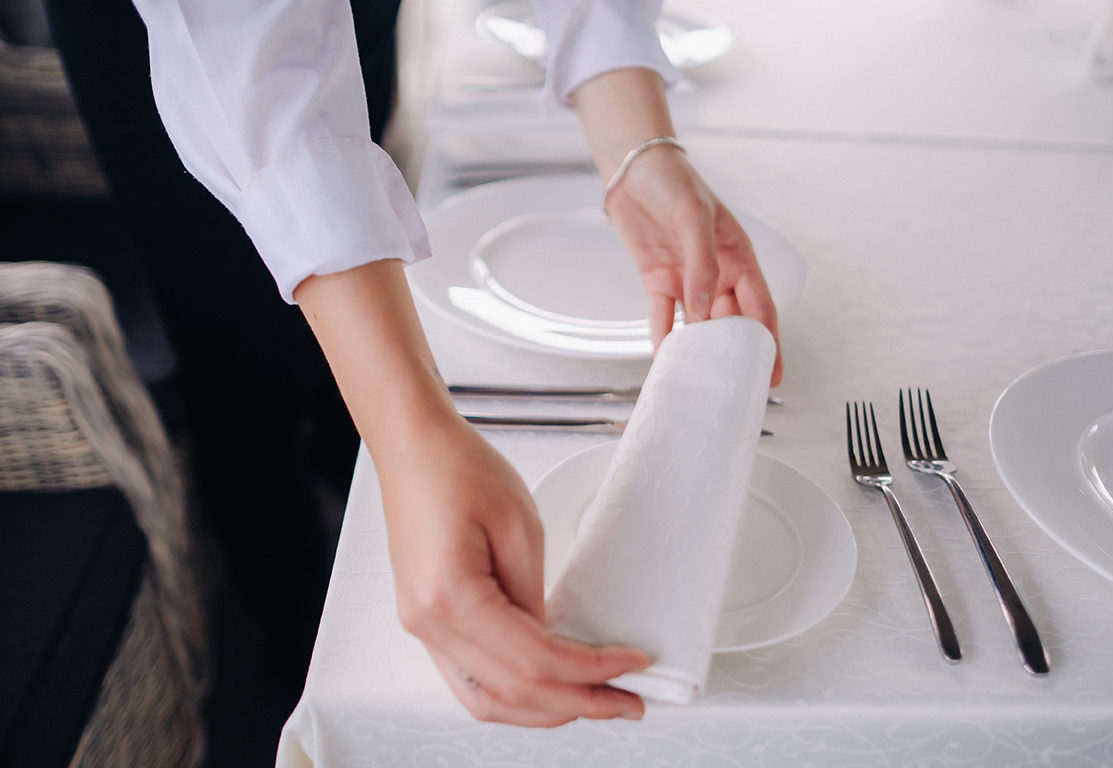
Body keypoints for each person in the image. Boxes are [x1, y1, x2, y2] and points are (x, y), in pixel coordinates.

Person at [45, 0, 783, 726]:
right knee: (238, 366)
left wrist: (637, 149)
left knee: (348, 324)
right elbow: (248, 47)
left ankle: (355, 492)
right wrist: (411, 434)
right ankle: (292, 650)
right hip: (189, 42)